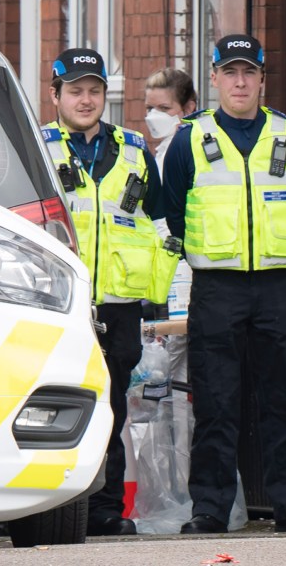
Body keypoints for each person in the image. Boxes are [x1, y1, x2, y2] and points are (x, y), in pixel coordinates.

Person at [162, 34, 286, 534]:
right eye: (230, 73)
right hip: (217, 287)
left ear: (262, 79)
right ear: (214, 78)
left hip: (277, 287)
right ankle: (210, 509)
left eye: (249, 73)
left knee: (285, 398)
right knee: (216, 403)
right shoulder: (190, 138)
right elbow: (174, 211)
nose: (240, 82)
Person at [41, 48, 178, 536]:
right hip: (59, 304)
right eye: (75, 91)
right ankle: (51, 508)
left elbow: (159, 226)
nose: (85, 99)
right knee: (55, 405)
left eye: (94, 91)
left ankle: (104, 511)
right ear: (55, 95)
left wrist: (157, 297)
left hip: (118, 306)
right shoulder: (38, 148)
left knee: (112, 409)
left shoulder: (134, 148)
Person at [144, 67, 198, 171]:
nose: (154, 116)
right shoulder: (164, 149)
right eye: (150, 108)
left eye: (164, 108)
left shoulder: (194, 150)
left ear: (188, 109)